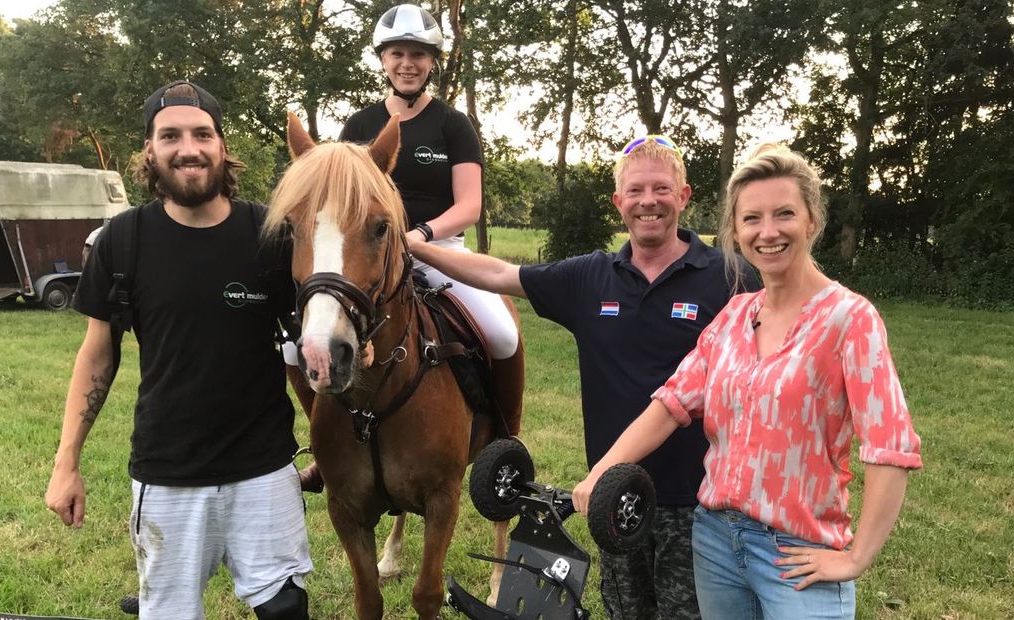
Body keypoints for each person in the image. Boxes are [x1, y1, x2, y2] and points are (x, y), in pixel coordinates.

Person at [410, 135, 756, 619]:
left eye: (661, 189)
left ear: (684, 195)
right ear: (619, 202)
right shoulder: (591, 278)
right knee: (624, 610)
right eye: (635, 191)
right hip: (612, 495)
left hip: (702, 502)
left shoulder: (732, 278)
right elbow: (498, 275)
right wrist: (415, 248)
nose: (648, 202)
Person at [572, 144, 923, 619]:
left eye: (784, 214)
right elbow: (670, 404)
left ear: (812, 220)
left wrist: (857, 556)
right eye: (752, 218)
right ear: (736, 232)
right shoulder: (735, 316)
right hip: (715, 543)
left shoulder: (849, 319)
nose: (768, 232)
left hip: (797, 554)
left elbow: (890, 447)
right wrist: (601, 473)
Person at [44, 80, 312, 620]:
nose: (187, 147)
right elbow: (97, 355)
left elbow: (312, 337)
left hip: (263, 467)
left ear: (220, 145)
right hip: (167, 472)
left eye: (201, 134)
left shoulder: (272, 234)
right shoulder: (122, 240)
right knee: (169, 612)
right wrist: (66, 463)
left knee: (286, 607)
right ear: (149, 149)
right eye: (170, 135)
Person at [294, 3, 523, 492]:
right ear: (383, 59)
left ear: (431, 61)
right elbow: (338, 205)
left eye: (418, 54)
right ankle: (327, 447)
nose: (408, 63)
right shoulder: (358, 124)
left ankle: (504, 439)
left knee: (502, 334)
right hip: (369, 254)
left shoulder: (453, 126)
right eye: (398, 53)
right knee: (296, 353)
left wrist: (419, 236)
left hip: (441, 249)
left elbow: (469, 205)